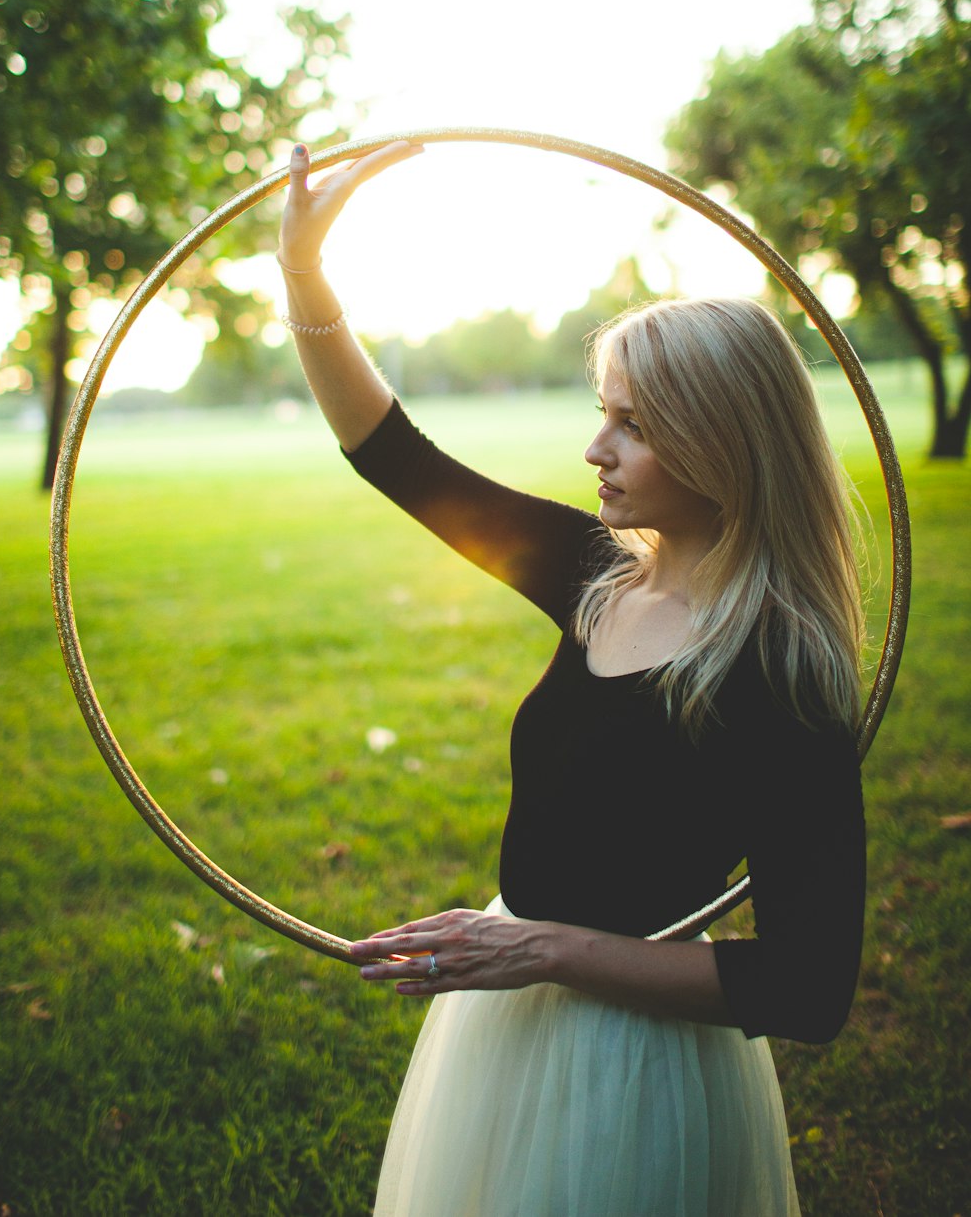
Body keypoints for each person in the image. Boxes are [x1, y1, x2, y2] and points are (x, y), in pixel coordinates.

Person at [276, 139, 866, 1217]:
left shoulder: (780, 669)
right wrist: (307, 283)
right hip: (506, 1018)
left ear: (723, 442)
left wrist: (546, 948)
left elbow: (810, 985)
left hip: (635, 1065)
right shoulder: (594, 575)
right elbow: (396, 457)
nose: (597, 446)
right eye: (605, 411)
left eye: (634, 424)